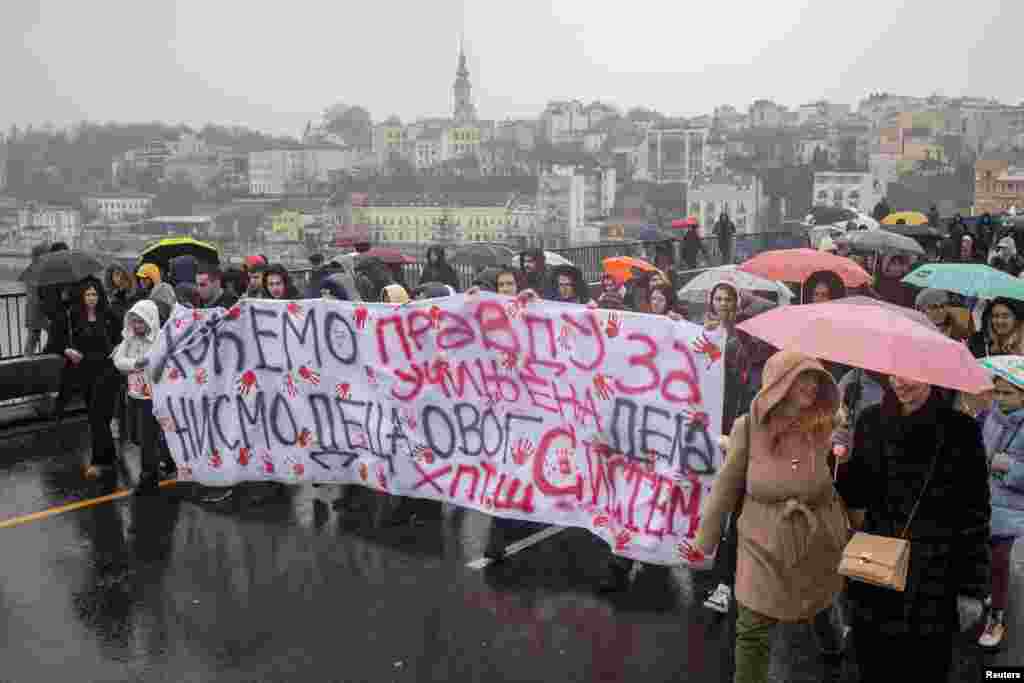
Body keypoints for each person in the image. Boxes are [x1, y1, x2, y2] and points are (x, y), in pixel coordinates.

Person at [695, 351, 849, 683]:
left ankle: (834, 645)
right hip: (761, 542)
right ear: (779, 382)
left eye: (815, 379)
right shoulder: (747, 427)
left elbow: (842, 429)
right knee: (751, 627)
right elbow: (726, 484)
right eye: (801, 377)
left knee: (818, 604)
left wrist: (843, 443)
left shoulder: (825, 422)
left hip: (816, 538)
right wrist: (704, 539)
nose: (810, 385)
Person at [837, 374, 990, 682]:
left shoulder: (960, 430)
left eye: (913, 375)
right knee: (873, 665)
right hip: (876, 572)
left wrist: (971, 589)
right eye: (896, 374)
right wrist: (843, 459)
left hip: (933, 577)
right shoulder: (871, 421)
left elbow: (974, 514)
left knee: (926, 667)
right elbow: (857, 495)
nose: (901, 383)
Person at [44, 277, 122, 479]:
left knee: (99, 416)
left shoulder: (109, 315)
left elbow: (122, 339)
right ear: (81, 296)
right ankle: (110, 456)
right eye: (88, 294)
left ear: (100, 295)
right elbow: (52, 344)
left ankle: (98, 462)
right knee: (98, 418)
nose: (91, 298)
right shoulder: (71, 317)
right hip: (85, 373)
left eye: (95, 294)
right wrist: (68, 350)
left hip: (107, 371)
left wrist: (118, 351)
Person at [975, 366, 1024, 651]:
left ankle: (997, 617)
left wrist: (1010, 468)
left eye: (1009, 393)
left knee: (1000, 563)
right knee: (984, 558)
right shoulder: (989, 416)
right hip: (982, 501)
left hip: (1010, 511)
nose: (1001, 398)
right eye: (998, 391)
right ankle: (993, 596)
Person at [111, 300, 164, 495]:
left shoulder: (159, 340)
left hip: (151, 397)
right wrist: (135, 363)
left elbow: (162, 365)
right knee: (136, 436)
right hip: (134, 394)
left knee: (147, 438)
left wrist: (148, 365)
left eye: (140, 322)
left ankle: (148, 477)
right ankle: (158, 461)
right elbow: (118, 361)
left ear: (150, 321)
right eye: (134, 322)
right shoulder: (129, 339)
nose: (136, 326)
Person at [24, 242, 51, 354]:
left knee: (33, 338)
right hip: (40, 309)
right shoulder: (40, 270)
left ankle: (26, 362)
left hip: (33, 309)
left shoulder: (31, 269)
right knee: (55, 333)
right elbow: (41, 292)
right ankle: (48, 355)